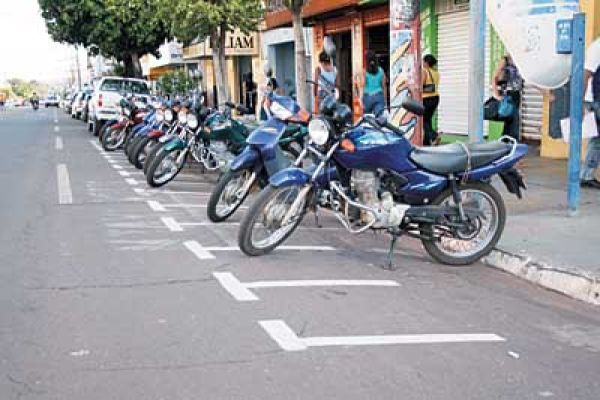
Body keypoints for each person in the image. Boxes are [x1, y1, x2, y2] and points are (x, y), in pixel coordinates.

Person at [581, 37, 600, 189]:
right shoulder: (597, 47)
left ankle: (587, 174)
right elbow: (585, 75)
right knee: (596, 140)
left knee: (597, 140)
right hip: (596, 100)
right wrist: (580, 103)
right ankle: (586, 174)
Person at [492, 54, 524, 141]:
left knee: (512, 122)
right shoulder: (505, 60)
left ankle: (507, 143)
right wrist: (496, 94)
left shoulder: (521, 60)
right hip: (508, 94)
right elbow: (495, 77)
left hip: (517, 94)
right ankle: (508, 143)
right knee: (512, 121)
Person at [359, 51, 388, 117]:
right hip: (378, 96)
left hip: (367, 98)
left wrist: (360, 99)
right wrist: (385, 101)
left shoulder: (364, 71)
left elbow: (362, 86)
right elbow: (384, 87)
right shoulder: (381, 70)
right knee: (379, 119)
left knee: (367, 119)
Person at [422, 54, 440, 145]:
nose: (422, 63)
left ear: (426, 63)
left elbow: (421, 84)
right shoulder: (436, 72)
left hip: (426, 99)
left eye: (423, 61)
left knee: (423, 120)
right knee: (428, 119)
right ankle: (426, 142)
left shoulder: (425, 71)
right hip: (435, 98)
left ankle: (434, 135)